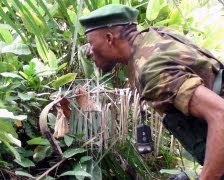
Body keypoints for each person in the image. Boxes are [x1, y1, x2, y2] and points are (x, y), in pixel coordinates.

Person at [78, 4, 224, 180]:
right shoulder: (156, 36)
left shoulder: (150, 70)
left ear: (109, 38)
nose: (90, 51)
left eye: (91, 42)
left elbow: (220, 114)